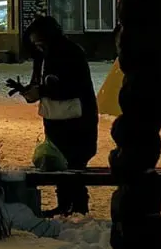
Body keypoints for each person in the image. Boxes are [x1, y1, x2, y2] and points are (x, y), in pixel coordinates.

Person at [14, 15, 98, 216]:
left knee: (75, 164)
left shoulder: (69, 54)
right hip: (56, 119)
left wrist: (41, 91)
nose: (38, 47)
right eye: (35, 44)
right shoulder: (44, 56)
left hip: (77, 121)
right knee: (59, 163)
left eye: (40, 43)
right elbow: (46, 85)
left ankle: (77, 207)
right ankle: (65, 205)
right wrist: (28, 90)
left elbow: (70, 87)